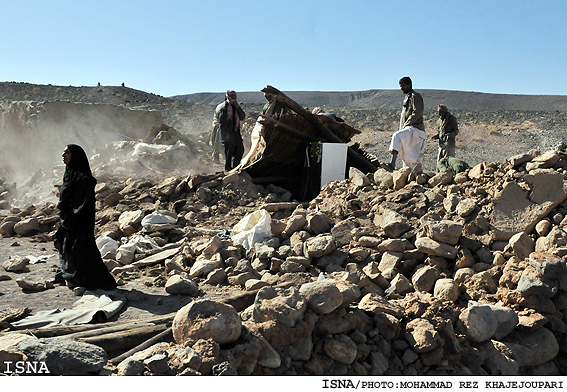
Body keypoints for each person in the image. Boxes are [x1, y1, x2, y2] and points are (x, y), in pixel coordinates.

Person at [53, 144, 117, 295]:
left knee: (81, 248)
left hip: (79, 221)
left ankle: (87, 280)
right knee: (67, 246)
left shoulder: (84, 179)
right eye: (63, 153)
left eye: (66, 153)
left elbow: (84, 204)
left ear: (75, 156)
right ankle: (71, 276)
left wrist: (73, 218)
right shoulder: (69, 175)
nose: (63, 156)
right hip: (68, 219)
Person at [382, 76, 426, 171]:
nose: (402, 88)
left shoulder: (415, 96)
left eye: (404, 86)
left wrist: (407, 124)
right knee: (407, 156)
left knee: (396, 136)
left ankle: (392, 164)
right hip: (410, 128)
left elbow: (418, 111)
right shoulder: (408, 97)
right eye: (401, 86)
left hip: (415, 128)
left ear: (410, 84)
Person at [213, 90, 246, 171]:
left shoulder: (235, 105)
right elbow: (222, 122)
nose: (234, 97)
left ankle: (235, 167)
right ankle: (229, 169)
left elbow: (242, 117)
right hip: (228, 132)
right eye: (232, 95)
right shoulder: (225, 107)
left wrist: (238, 107)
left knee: (239, 149)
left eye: (235, 95)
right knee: (229, 152)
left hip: (235, 132)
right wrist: (226, 134)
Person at [433, 104, 459, 170]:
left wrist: (450, 135)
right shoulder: (440, 120)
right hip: (441, 145)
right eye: (438, 111)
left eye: (441, 111)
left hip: (449, 145)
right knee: (439, 162)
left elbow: (456, 131)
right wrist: (437, 136)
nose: (439, 113)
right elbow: (440, 131)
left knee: (448, 163)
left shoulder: (451, 119)